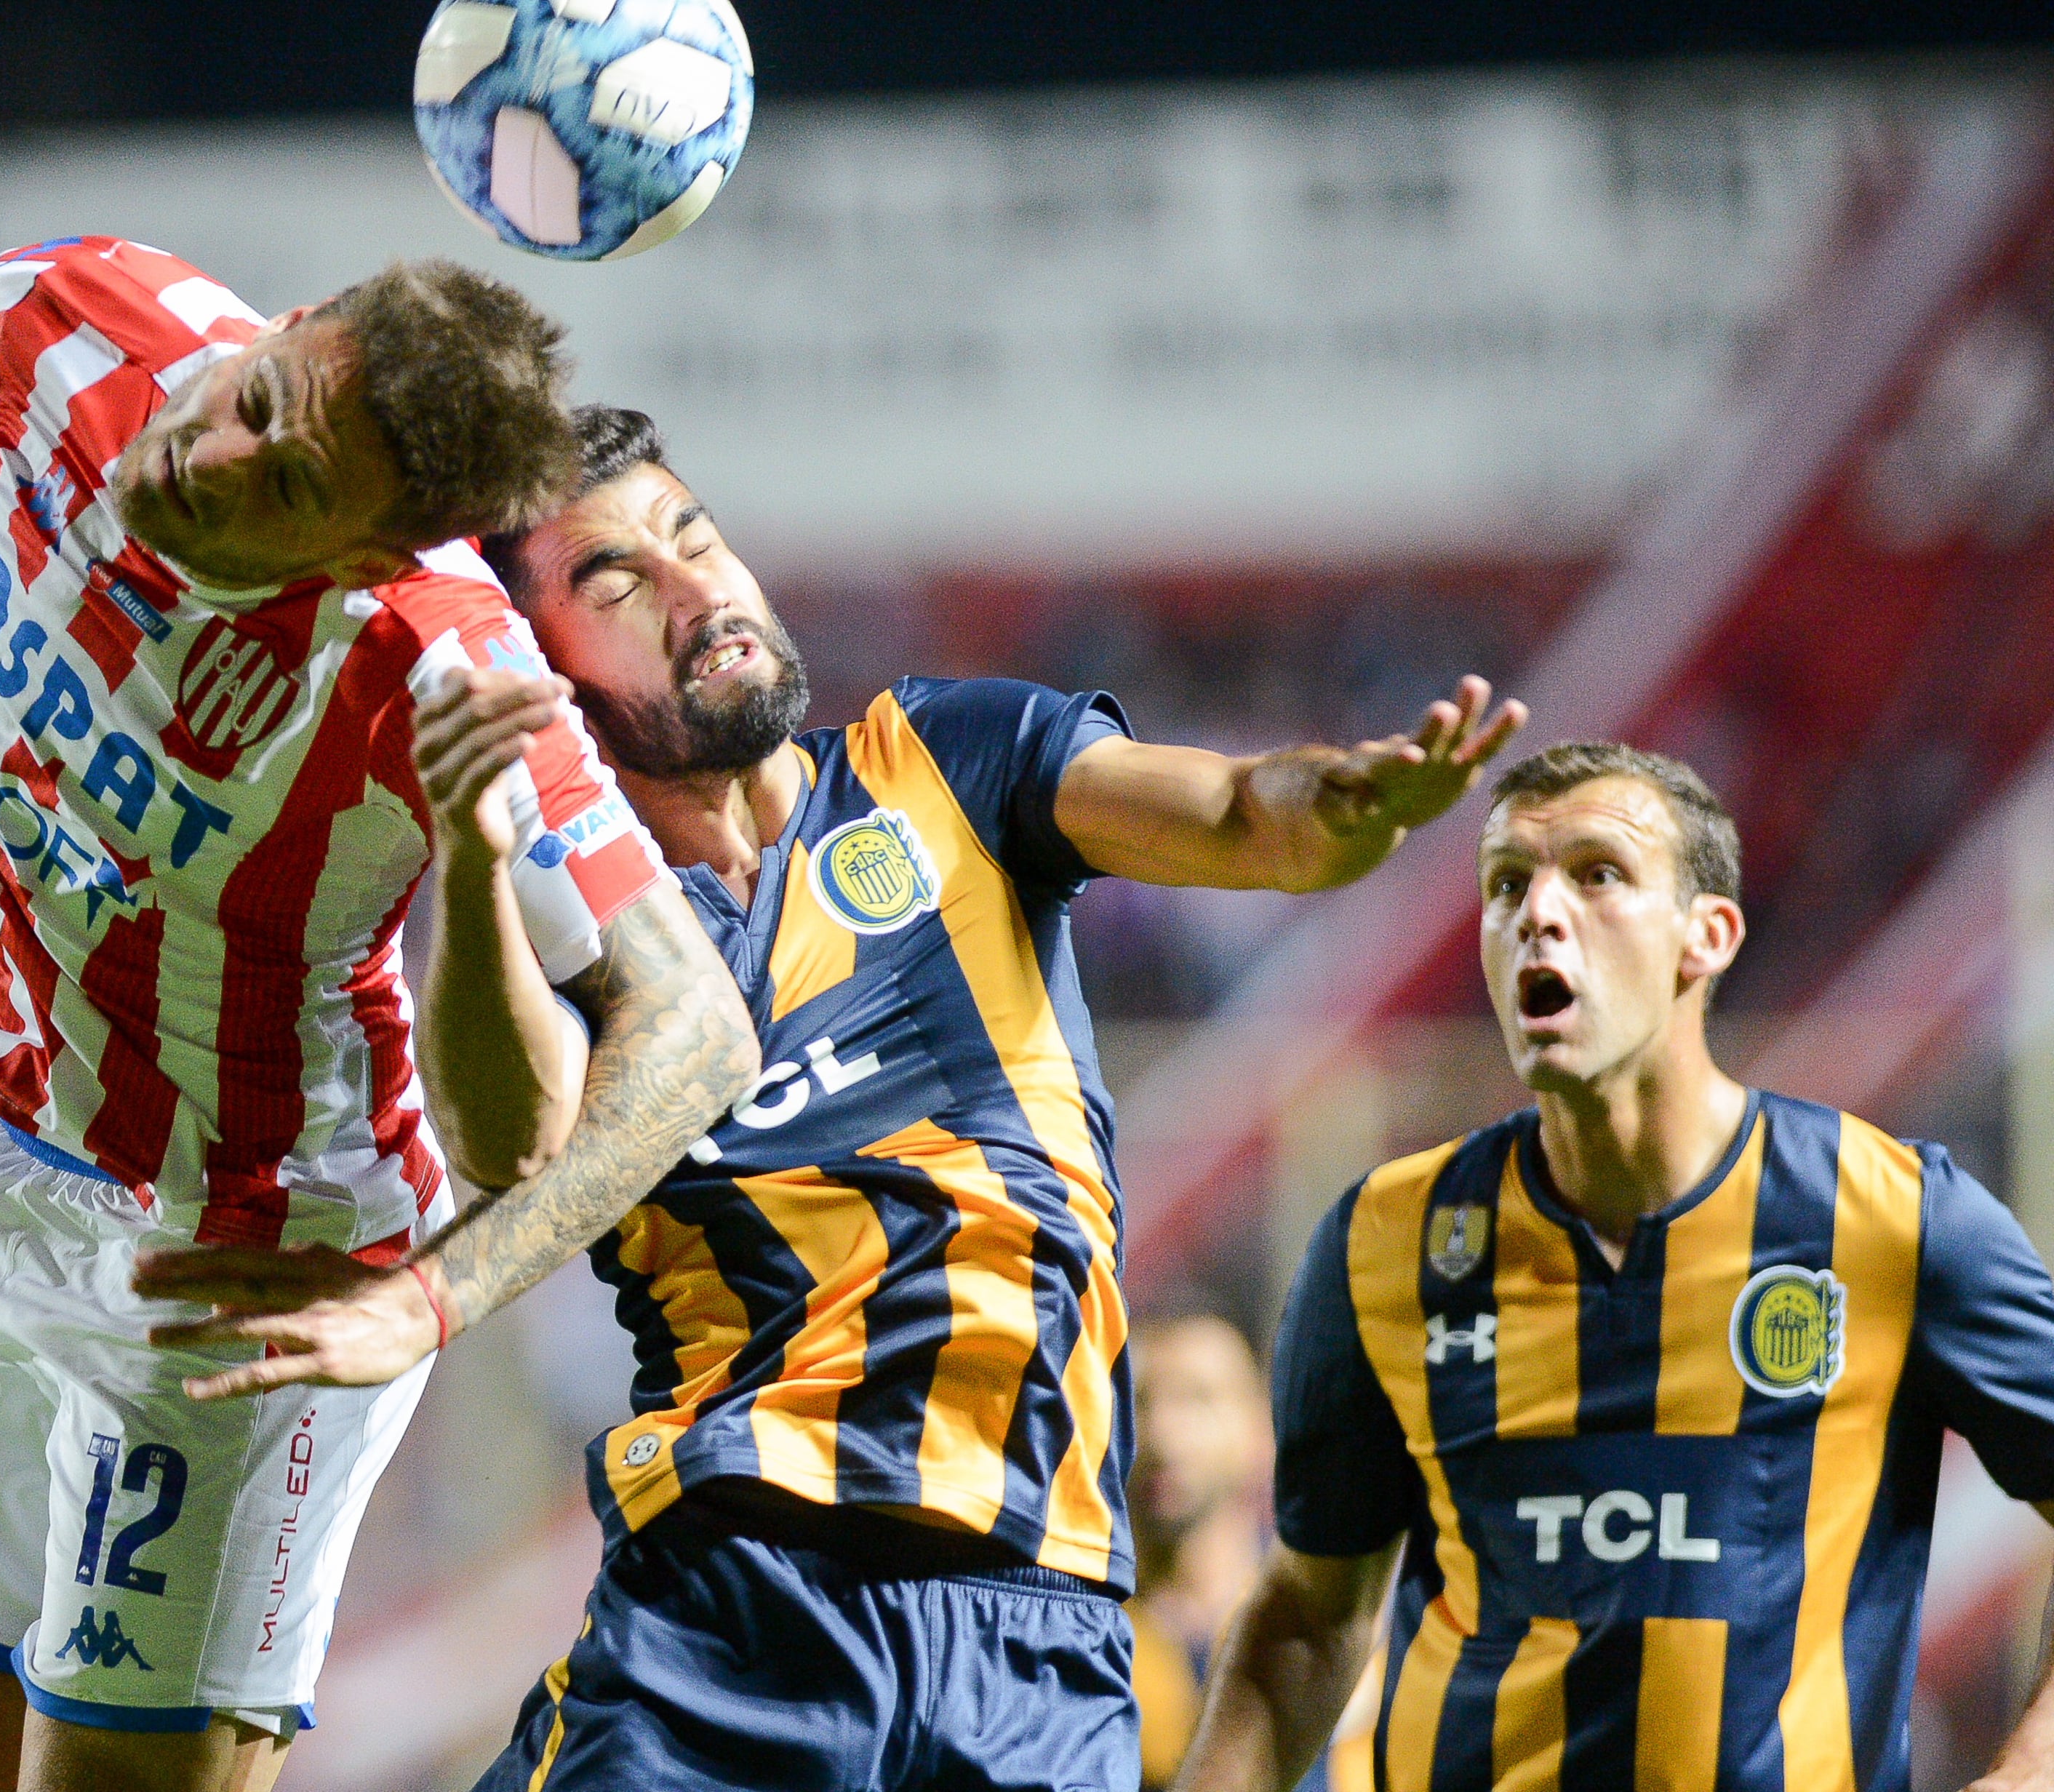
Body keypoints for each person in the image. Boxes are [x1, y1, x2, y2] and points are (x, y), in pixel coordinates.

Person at [132, 404, 1524, 1790]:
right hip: (739, 1601)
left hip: (1040, 1630)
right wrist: (486, 864)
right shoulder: (585, 933)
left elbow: (1236, 814)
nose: (700, 590)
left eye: (698, 538)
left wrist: (1337, 798)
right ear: (540, 678)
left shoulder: (950, 762)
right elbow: (515, 1143)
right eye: (617, 582)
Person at [0, 244, 755, 1792]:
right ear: (296, 324)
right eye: (261, 400)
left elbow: (690, 1034)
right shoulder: (93, 315)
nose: (214, 457)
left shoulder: (439, 663)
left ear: (369, 554)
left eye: (286, 489)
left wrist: (435, 1296)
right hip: (4, 1154)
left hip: (240, 1267)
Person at [1172, 741, 2054, 1792]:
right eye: (1508, 883)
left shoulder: (1895, 1221)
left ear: (1707, 936)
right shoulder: (1386, 1245)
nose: (1539, 913)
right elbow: (1310, 1622)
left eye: (1598, 874)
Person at [1130, 1315, 1378, 1792]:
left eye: (1195, 1398)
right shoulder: (1088, 1632)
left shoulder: (1323, 1621)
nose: (1161, 1432)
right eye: (1140, 1403)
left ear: (1261, 1428)